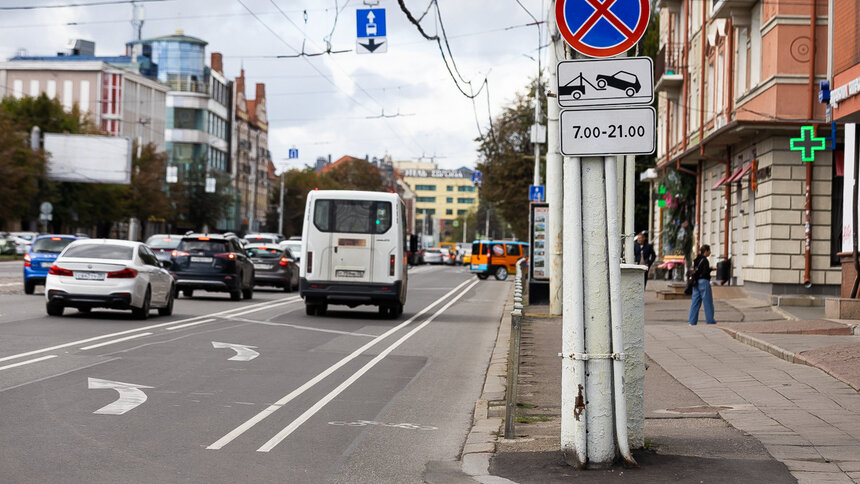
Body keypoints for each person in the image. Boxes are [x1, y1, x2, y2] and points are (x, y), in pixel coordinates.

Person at [688, 244, 716, 326]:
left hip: (695, 282)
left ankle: (692, 321)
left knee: (695, 302)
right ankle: (710, 320)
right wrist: (711, 269)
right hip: (704, 282)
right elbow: (705, 272)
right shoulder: (705, 260)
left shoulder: (696, 259)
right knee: (708, 302)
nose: (710, 252)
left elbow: (697, 270)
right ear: (706, 251)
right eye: (709, 251)